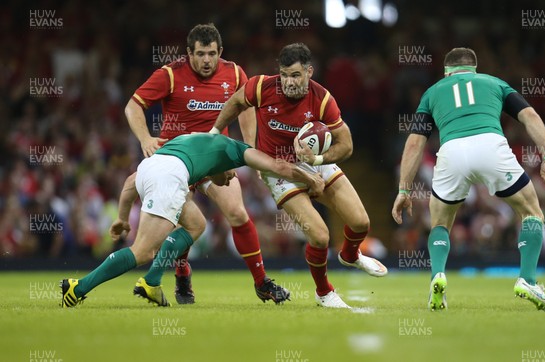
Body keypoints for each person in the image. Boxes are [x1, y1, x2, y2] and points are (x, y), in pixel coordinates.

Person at [211, 43, 388, 309]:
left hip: (313, 162)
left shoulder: (322, 98)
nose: (289, 82)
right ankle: (324, 292)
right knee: (319, 236)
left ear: (309, 72)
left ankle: (350, 255)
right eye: (284, 75)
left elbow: (346, 145)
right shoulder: (262, 87)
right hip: (278, 170)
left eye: (295, 75)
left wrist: (317, 160)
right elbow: (236, 101)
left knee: (361, 223)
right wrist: (215, 132)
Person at [60, 133, 324, 307]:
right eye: (230, 175)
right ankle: (79, 287)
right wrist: (311, 178)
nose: (230, 178)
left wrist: (121, 218)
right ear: (227, 162)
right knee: (143, 251)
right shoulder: (234, 149)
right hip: (170, 178)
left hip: (150, 167)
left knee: (196, 224)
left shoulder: (188, 143)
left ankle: (152, 282)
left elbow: (132, 182)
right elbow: (277, 167)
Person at [391, 47, 545, 311]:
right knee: (531, 213)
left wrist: (404, 189)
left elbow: (415, 142)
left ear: (447, 72)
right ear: (474, 69)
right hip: (490, 144)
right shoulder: (494, 83)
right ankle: (527, 280)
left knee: (441, 222)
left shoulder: (433, 92)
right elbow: (530, 116)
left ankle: (438, 275)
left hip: (451, 151)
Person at [124, 24, 282, 304]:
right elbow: (133, 105)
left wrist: (249, 147)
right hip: (177, 161)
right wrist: (145, 137)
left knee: (237, 213)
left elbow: (244, 106)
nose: (206, 60)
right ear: (189, 53)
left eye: (211, 54)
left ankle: (261, 282)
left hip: (214, 161)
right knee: (178, 225)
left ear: (220, 52)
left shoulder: (233, 73)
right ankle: (182, 270)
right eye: (200, 54)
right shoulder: (170, 74)